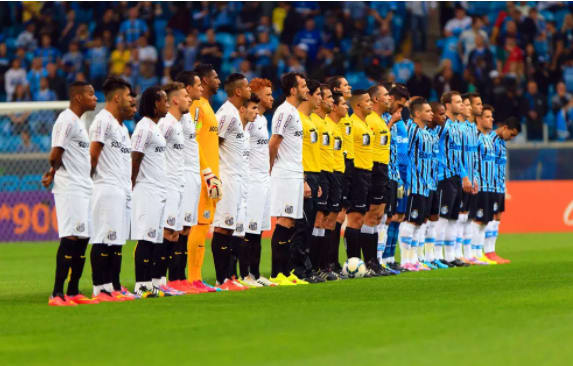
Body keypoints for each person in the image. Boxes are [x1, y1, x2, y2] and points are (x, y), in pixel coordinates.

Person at [43, 81, 98, 306]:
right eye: (91, 94)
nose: (95, 98)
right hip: (71, 188)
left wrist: (52, 171)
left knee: (83, 239)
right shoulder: (66, 120)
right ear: (77, 98)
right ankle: (57, 293)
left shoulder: (78, 121)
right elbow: (56, 152)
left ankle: (73, 290)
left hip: (83, 187)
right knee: (70, 238)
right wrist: (53, 170)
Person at [88, 77, 137, 301]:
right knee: (102, 239)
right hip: (105, 187)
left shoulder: (121, 127)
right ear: (117, 97)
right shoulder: (102, 121)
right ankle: (100, 288)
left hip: (121, 189)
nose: (131, 100)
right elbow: (93, 154)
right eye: (128, 96)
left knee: (116, 241)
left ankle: (114, 286)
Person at [170, 71, 213, 293]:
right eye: (197, 84)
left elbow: (194, 145)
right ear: (186, 89)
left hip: (192, 175)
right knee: (173, 229)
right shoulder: (175, 119)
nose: (201, 88)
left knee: (185, 228)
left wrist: (205, 172)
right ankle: (169, 278)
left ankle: (181, 279)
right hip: (179, 176)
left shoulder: (187, 117)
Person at [211, 73, 251, 291]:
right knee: (223, 228)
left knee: (231, 229)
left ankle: (229, 277)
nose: (249, 90)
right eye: (246, 86)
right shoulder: (226, 114)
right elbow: (213, 144)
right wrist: (214, 176)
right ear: (238, 91)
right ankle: (222, 279)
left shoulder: (235, 114)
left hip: (237, 178)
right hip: (226, 178)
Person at [268, 72, 308, 284]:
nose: (306, 89)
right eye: (302, 85)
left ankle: (285, 272)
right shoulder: (284, 112)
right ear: (293, 90)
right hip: (284, 173)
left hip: (293, 173)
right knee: (284, 221)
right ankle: (277, 274)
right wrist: (269, 169)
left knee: (290, 222)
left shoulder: (293, 112)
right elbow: (274, 142)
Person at [186, 64, 222, 290]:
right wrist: (206, 172)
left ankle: (197, 279)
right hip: (203, 175)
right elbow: (194, 140)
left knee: (203, 225)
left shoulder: (207, 106)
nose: (219, 80)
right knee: (199, 226)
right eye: (216, 77)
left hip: (210, 175)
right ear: (205, 81)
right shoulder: (197, 107)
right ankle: (193, 278)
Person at [131, 86, 170, 297]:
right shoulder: (143, 128)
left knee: (155, 239)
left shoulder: (155, 127)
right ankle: (141, 284)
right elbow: (135, 156)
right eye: (164, 100)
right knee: (146, 238)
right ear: (155, 104)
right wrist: (131, 183)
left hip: (158, 189)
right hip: (146, 189)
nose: (168, 104)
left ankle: (152, 284)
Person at [156, 82, 192, 296]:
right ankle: (156, 281)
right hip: (167, 185)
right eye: (185, 95)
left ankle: (163, 281)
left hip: (178, 185)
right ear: (175, 100)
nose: (189, 99)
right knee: (166, 233)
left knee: (174, 235)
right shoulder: (166, 124)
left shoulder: (178, 124)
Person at [345, 89, 384, 276]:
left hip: (368, 174)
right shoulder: (352, 124)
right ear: (357, 105)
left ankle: (369, 263)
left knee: (365, 218)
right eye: (367, 101)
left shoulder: (366, 124)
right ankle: (352, 264)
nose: (371, 103)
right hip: (357, 174)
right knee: (355, 219)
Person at [241, 78, 275, 287]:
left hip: (264, 178)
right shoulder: (249, 121)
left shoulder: (262, 120)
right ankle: (244, 274)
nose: (272, 98)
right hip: (251, 178)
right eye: (268, 94)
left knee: (260, 229)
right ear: (256, 94)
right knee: (250, 229)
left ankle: (255, 273)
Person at [435, 91, 472, 267]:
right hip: (443, 176)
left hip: (456, 177)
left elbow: (458, 156)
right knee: (442, 217)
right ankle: (436, 255)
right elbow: (434, 147)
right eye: (457, 102)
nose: (461, 105)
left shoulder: (457, 126)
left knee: (453, 217)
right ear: (448, 105)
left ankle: (450, 256)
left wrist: (464, 175)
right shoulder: (442, 125)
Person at [398, 98, 435, 271]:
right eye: (427, 111)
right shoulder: (411, 129)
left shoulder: (426, 132)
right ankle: (405, 260)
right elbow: (404, 154)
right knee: (410, 221)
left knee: (419, 222)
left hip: (425, 184)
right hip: (413, 183)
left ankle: (413, 259)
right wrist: (404, 179)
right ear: (418, 113)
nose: (431, 113)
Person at [235, 93, 268, 287]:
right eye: (254, 107)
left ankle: (252, 274)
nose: (257, 110)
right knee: (240, 232)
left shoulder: (247, 132)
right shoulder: (237, 130)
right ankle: (239, 275)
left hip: (249, 184)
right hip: (239, 185)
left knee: (254, 231)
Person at [293, 78, 323, 284]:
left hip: (313, 174)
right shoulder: (297, 119)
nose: (320, 98)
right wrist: (303, 178)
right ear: (309, 95)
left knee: (309, 223)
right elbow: (293, 153)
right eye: (318, 94)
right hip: (301, 175)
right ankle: (297, 269)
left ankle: (305, 266)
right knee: (301, 224)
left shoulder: (310, 120)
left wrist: (316, 180)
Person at [365, 84, 396, 275]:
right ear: (375, 99)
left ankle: (375, 261)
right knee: (369, 216)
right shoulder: (369, 120)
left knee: (378, 216)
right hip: (373, 169)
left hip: (383, 170)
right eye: (386, 95)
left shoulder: (380, 120)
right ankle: (366, 262)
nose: (389, 98)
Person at [310, 85, 339, 281]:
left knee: (327, 221)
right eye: (327, 97)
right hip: (318, 173)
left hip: (331, 173)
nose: (331, 101)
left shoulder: (329, 124)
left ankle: (323, 266)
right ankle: (312, 266)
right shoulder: (313, 122)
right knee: (317, 221)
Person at [381, 84, 410, 271]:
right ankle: (380, 258)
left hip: (398, 176)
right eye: (400, 104)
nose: (402, 110)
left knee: (396, 217)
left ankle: (390, 257)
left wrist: (405, 179)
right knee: (384, 218)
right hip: (383, 175)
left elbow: (403, 153)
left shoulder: (401, 124)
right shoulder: (384, 119)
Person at [327, 75, 352, 275]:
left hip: (346, 167)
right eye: (344, 85)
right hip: (333, 169)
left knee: (340, 216)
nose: (349, 87)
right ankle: (329, 261)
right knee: (333, 217)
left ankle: (333, 261)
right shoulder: (331, 120)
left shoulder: (347, 118)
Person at [487, 117, 521, 263]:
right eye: (511, 134)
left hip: (499, 185)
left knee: (498, 217)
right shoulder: (489, 140)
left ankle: (491, 251)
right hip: (489, 185)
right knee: (487, 217)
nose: (512, 138)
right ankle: (485, 251)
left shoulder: (501, 143)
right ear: (505, 127)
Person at [468, 105, 498, 265]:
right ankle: (473, 252)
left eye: (491, 116)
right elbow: (472, 160)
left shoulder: (489, 137)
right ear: (478, 118)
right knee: (477, 219)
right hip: (479, 184)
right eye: (487, 116)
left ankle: (479, 252)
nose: (491, 119)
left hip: (490, 185)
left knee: (485, 220)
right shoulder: (476, 136)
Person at [425, 102, 450, 269]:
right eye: (441, 114)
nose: (445, 117)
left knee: (434, 217)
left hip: (436, 180)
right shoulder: (418, 131)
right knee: (419, 219)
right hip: (422, 181)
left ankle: (431, 256)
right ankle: (418, 257)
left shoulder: (436, 131)